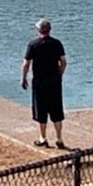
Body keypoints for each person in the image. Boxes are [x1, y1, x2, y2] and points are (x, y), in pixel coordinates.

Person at [21, 18, 68, 148]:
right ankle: (59, 139)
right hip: (54, 82)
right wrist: (59, 74)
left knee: (40, 109)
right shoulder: (57, 43)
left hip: (40, 82)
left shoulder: (33, 44)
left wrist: (23, 78)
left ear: (39, 30)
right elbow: (63, 62)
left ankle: (43, 138)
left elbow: (26, 64)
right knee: (56, 110)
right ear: (49, 30)